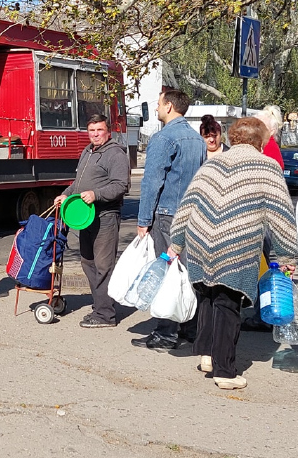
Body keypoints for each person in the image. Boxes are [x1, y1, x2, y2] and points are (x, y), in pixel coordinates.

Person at [168, 116, 298, 389]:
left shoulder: (213, 163)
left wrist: (177, 242)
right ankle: (224, 371)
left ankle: (206, 354)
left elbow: (188, 203)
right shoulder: (267, 166)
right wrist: (287, 255)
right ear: (261, 140)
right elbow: (280, 213)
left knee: (207, 293)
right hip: (236, 242)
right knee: (228, 302)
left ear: (232, 138)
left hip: (200, 237)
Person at [138, 88, 207, 347]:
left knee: (166, 272)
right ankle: (190, 326)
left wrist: (144, 220)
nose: (156, 109)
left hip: (167, 215)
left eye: (158, 104)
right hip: (192, 214)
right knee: (187, 271)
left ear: (168, 106)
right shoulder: (196, 139)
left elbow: (152, 182)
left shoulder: (164, 138)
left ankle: (166, 331)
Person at [64, 113, 133, 328]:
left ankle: (105, 314)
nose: (95, 134)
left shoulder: (115, 154)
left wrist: (96, 194)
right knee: (88, 262)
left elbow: (121, 185)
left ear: (108, 131)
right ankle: (100, 305)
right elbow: (78, 184)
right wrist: (66, 194)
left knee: (104, 265)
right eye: (92, 130)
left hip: (105, 216)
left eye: (99, 130)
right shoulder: (88, 151)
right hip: (85, 218)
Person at [260, 105, 286, 170]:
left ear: (272, 131)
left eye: (263, 127)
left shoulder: (270, 148)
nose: (257, 129)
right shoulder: (260, 144)